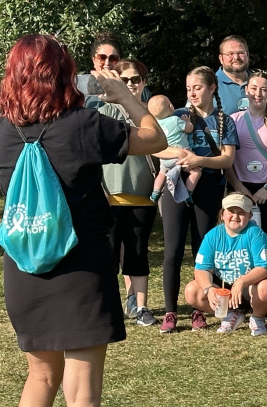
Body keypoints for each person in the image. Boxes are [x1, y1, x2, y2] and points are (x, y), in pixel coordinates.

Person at [0, 34, 166, 407]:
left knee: (40, 376)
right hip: (81, 265)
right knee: (81, 389)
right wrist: (125, 96)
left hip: (25, 265)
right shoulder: (84, 124)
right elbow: (156, 138)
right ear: (64, 73)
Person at [158, 66, 239, 334]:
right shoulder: (178, 115)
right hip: (177, 183)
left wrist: (199, 160)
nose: (192, 92)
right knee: (172, 250)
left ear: (212, 88)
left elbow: (227, 160)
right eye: (189, 88)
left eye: (198, 87)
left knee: (204, 251)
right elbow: (157, 147)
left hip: (208, 188)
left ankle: (200, 309)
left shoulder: (225, 121)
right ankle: (170, 312)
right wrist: (182, 155)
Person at [98, 60, 163, 328]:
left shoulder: (149, 115)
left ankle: (141, 306)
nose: (131, 85)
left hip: (142, 196)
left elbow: (163, 149)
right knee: (109, 254)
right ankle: (111, 303)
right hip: (109, 195)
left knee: (138, 252)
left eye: (136, 79)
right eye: (125, 81)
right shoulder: (103, 113)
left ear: (144, 82)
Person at [183, 193, 267, 336]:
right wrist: (209, 289)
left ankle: (258, 318)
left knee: (266, 288)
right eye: (231, 212)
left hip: (251, 287)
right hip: (225, 289)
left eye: (241, 212)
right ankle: (230, 315)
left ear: (249, 216)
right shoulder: (212, 235)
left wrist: (241, 282)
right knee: (192, 291)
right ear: (222, 214)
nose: (235, 216)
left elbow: (264, 268)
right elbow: (201, 269)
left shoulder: (256, 234)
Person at [226, 70, 267, 251]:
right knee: (240, 245)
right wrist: (239, 188)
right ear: (246, 90)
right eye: (254, 88)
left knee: (266, 247)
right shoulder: (233, 120)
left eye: (264, 89)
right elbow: (227, 160)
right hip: (240, 190)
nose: (258, 94)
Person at [148, 94, 199, 204]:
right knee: (196, 172)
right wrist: (187, 122)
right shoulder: (175, 120)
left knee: (161, 174)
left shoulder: (155, 124)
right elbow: (189, 129)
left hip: (165, 157)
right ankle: (189, 193)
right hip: (182, 156)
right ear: (171, 106)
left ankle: (155, 193)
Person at [215, 35, 267, 115]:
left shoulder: (263, 84)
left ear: (247, 56)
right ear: (221, 58)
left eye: (241, 53)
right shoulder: (210, 86)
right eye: (230, 54)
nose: (236, 57)